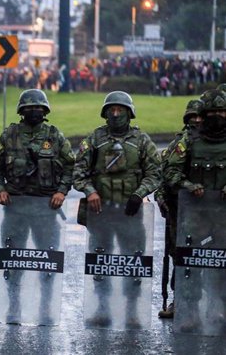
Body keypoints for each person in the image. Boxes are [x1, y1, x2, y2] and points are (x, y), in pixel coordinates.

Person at [73, 91, 160, 327]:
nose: (116, 114)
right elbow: (78, 171)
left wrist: (139, 193)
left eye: (120, 109)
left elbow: (155, 173)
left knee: (133, 264)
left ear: (129, 113)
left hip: (131, 213)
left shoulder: (142, 141)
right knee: (100, 263)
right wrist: (90, 191)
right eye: (111, 110)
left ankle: (132, 312)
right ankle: (101, 309)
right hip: (101, 214)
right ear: (105, 113)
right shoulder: (94, 139)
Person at [0, 89, 75, 323]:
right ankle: (13, 306)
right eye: (28, 108)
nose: (33, 111)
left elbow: (70, 165)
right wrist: (0, 189)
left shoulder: (54, 135)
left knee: (46, 260)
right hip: (15, 207)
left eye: (37, 108)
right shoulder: (9, 136)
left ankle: (46, 307)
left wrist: (61, 191)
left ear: (45, 111)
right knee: (13, 259)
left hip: (46, 209)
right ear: (21, 111)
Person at [164, 89, 226, 330]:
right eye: (212, 112)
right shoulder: (188, 141)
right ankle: (189, 312)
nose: (217, 116)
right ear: (204, 114)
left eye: (222, 111)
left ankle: (218, 309)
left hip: (223, 218)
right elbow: (170, 172)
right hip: (195, 216)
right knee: (191, 264)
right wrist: (188, 185)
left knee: (222, 264)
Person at [155, 99, 202, 319]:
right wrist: (162, 199)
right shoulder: (179, 145)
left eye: (200, 117)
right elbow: (164, 178)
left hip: (212, 212)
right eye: (193, 117)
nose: (197, 121)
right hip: (181, 212)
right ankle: (180, 300)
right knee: (182, 257)